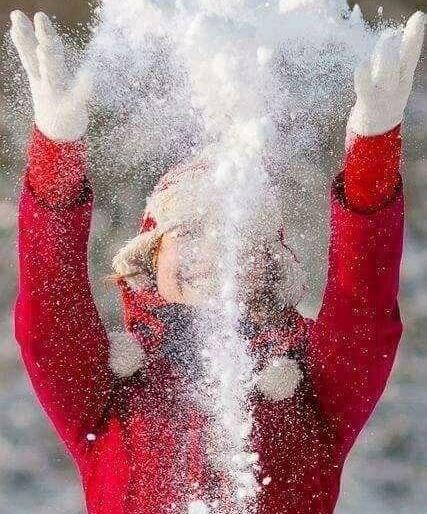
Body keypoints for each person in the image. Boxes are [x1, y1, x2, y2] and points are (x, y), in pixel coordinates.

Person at [9, 7, 424, 514]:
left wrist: (373, 149)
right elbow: (49, 312)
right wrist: (56, 146)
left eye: (235, 238)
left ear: (269, 267)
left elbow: (363, 307)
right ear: (150, 261)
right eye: (189, 232)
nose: (211, 252)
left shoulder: (312, 389)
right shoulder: (108, 391)